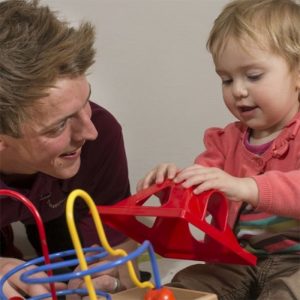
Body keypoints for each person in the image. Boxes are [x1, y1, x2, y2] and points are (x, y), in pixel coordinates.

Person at [137, 0, 300, 299]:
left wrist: (247, 187)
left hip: (296, 264)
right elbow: (204, 194)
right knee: (187, 285)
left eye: (253, 76)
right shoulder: (223, 142)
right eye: (226, 79)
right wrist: (172, 186)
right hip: (239, 260)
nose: (238, 90)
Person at [0, 0, 139, 298]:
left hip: (59, 213)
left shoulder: (100, 133)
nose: (90, 132)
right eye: (59, 125)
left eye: (85, 100)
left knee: (73, 262)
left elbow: (120, 245)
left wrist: (113, 269)